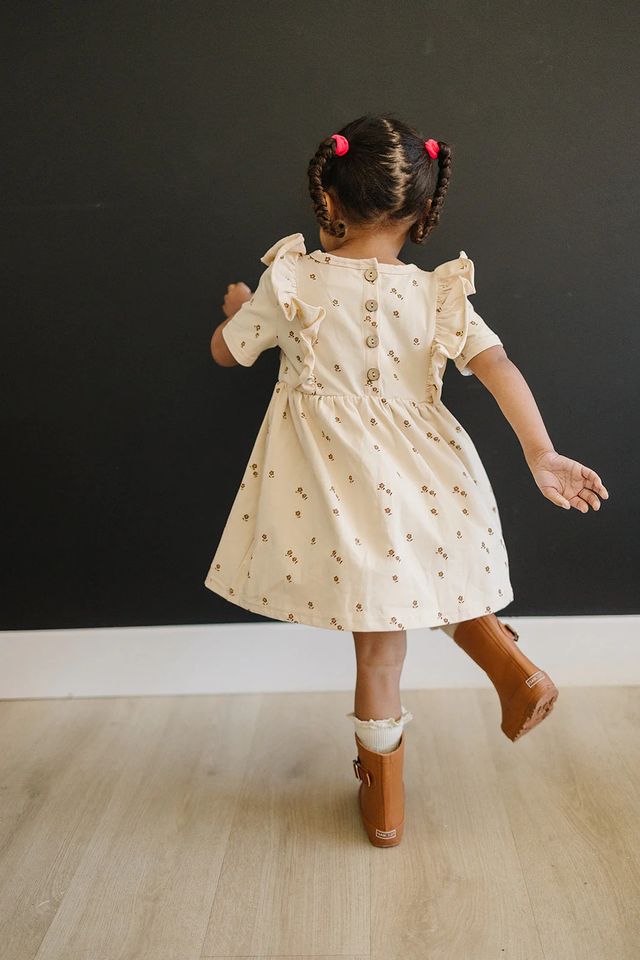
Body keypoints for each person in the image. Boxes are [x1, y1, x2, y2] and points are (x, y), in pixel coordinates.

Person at [205, 114, 609, 847]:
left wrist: (240, 312)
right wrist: (540, 452)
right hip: (425, 469)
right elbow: (497, 366)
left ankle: (385, 803)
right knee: (431, 572)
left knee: (379, 648)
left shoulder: (289, 277)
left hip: (337, 487)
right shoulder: (437, 293)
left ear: (327, 197)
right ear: (423, 211)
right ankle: (510, 667)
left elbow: (226, 355)